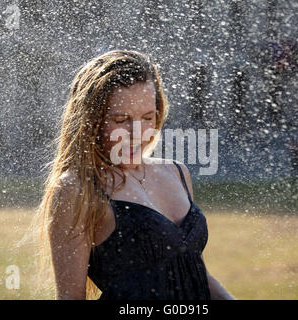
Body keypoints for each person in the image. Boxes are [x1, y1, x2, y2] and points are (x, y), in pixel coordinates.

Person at [31, 49, 235, 300]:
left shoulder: (176, 172)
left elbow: (193, 270)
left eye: (147, 117)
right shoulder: (77, 189)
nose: (136, 132)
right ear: (91, 120)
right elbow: (70, 298)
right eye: (120, 119)